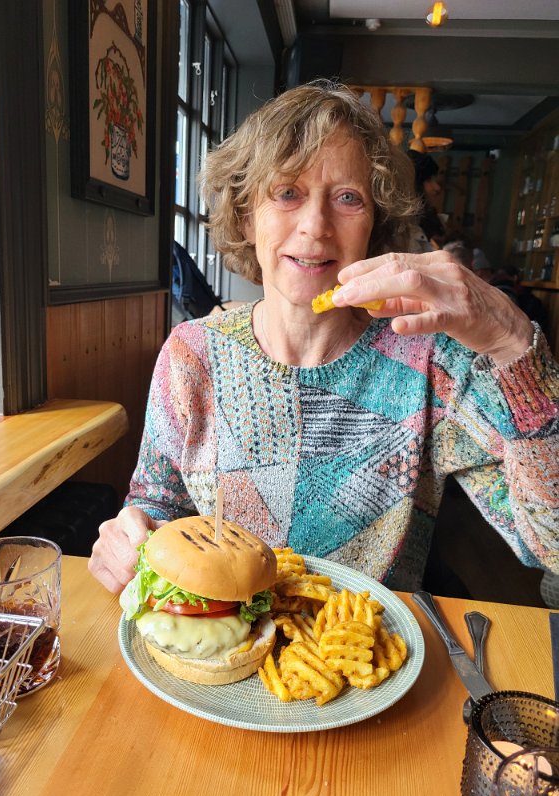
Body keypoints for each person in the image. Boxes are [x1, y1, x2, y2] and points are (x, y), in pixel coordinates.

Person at [89, 81, 559, 596]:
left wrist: (515, 344)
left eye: (347, 198)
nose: (315, 225)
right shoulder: (192, 353)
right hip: (224, 656)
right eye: (287, 192)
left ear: (374, 225)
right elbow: (161, 504)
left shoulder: (431, 358)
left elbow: (551, 546)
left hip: (378, 660)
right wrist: (130, 534)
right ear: (246, 215)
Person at [407, 150, 446, 251]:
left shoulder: (425, 219)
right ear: (414, 185)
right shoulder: (402, 229)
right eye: (428, 180)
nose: (437, 187)